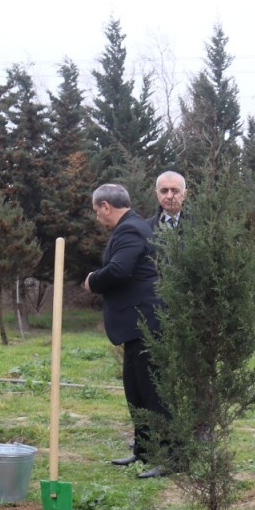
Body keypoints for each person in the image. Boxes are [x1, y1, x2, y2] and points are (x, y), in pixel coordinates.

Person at [83, 183, 172, 479]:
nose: (98, 218)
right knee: (135, 390)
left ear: (106, 206)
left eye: (98, 212)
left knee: (154, 392)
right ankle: (144, 450)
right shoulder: (131, 227)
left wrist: (92, 280)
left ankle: (171, 458)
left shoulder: (130, 229)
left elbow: (119, 270)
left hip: (147, 324)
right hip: (135, 327)